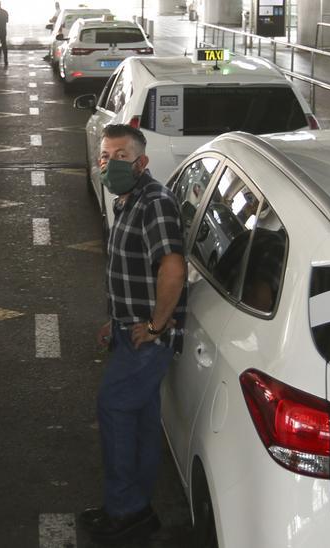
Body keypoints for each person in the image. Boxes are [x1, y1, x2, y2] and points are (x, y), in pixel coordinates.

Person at [80, 124, 188, 544]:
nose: (110, 164)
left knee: (114, 407)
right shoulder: (127, 200)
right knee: (141, 418)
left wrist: (157, 325)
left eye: (121, 156)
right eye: (105, 156)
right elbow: (133, 271)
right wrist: (117, 319)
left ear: (142, 162)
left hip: (147, 338)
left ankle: (124, 510)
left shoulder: (154, 203)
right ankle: (137, 507)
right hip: (130, 328)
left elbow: (172, 268)